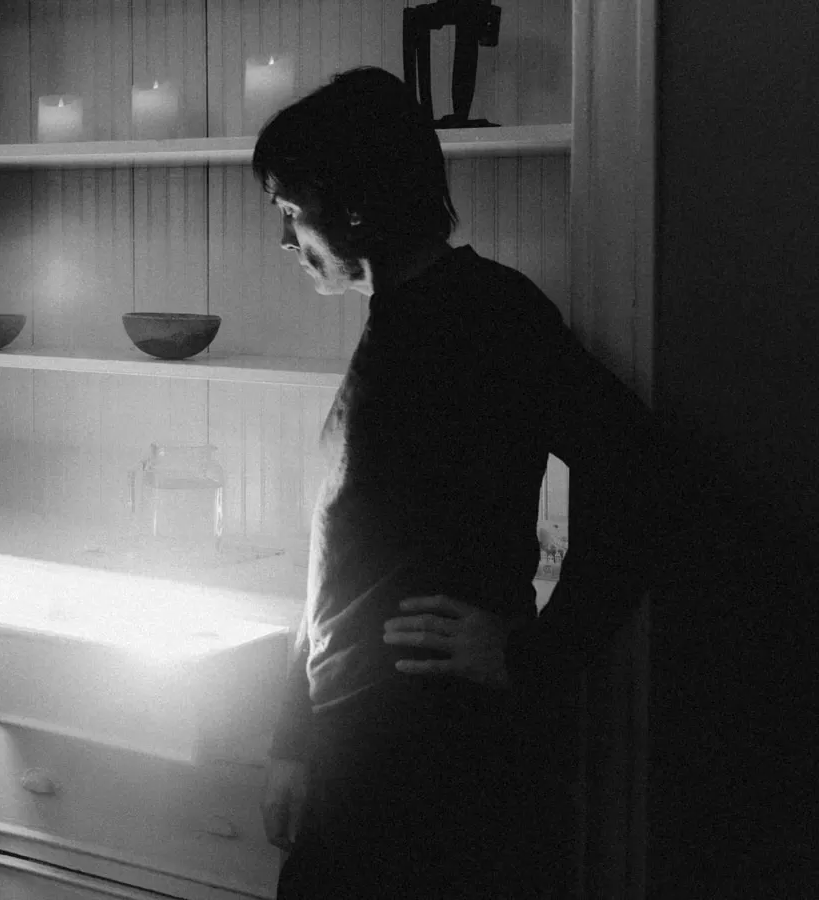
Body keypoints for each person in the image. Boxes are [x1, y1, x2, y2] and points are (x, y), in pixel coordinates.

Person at [252, 67, 676, 898]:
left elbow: (642, 470)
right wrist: (294, 740)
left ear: (355, 209)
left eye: (292, 210)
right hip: (358, 746)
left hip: (435, 760)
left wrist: (536, 653)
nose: (287, 238)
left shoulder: (487, 314)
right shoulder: (395, 320)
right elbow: (342, 561)